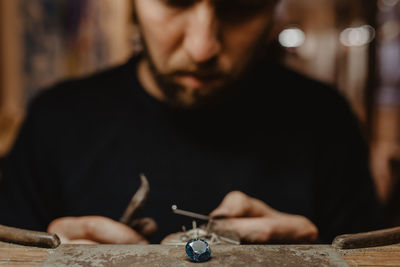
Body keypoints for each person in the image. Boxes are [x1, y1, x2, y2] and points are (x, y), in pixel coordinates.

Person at [0, 0, 383, 245]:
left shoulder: (326, 119)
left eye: (241, 6)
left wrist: (322, 260)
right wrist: (39, 260)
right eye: (175, 1)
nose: (202, 49)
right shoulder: (55, 119)